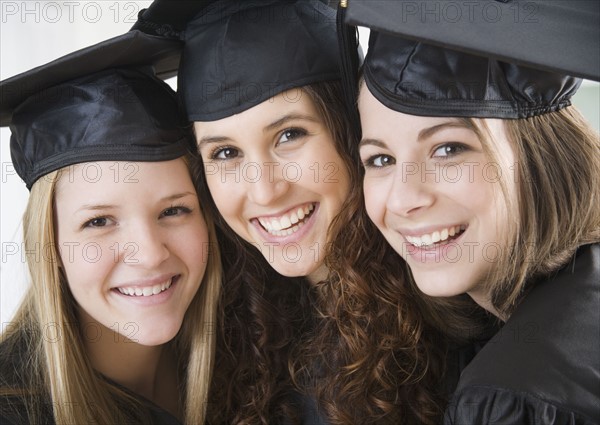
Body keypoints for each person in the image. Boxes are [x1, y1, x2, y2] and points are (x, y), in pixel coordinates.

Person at [169, 1, 480, 423]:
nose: (264, 190)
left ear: (350, 129)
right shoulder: (229, 336)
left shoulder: (461, 324)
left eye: (290, 135)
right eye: (225, 152)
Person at [356, 29, 600, 424]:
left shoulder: (512, 398)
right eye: (380, 159)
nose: (402, 199)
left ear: (541, 157)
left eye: (448, 150)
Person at [0, 32, 221, 425]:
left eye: (173, 210)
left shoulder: (256, 360)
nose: (150, 253)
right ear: (50, 244)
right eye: (98, 221)